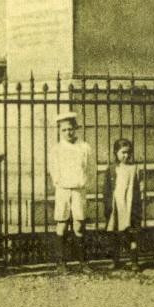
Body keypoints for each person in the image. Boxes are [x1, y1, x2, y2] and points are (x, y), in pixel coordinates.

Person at [48, 112, 95, 273]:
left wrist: (84, 183)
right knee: (61, 224)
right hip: (63, 190)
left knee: (79, 225)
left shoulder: (84, 147)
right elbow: (53, 169)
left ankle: (83, 262)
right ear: (60, 131)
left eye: (71, 129)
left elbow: (91, 169)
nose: (68, 132)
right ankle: (61, 263)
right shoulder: (56, 149)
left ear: (76, 129)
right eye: (64, 130)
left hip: (79, 190)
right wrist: (59, 182)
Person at [103, 138, 143, 272]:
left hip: (130, 208)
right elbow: (107, 190)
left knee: (132, 235)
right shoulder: (111, 169)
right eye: (123, 152)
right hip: (116, 208)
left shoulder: (135, 168)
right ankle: (115, 260)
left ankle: (134, 261)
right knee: (115, 235)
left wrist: (138, 206)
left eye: (128, 152)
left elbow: (140, 188)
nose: (126, 155)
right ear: (116, 153)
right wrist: (108, 206)